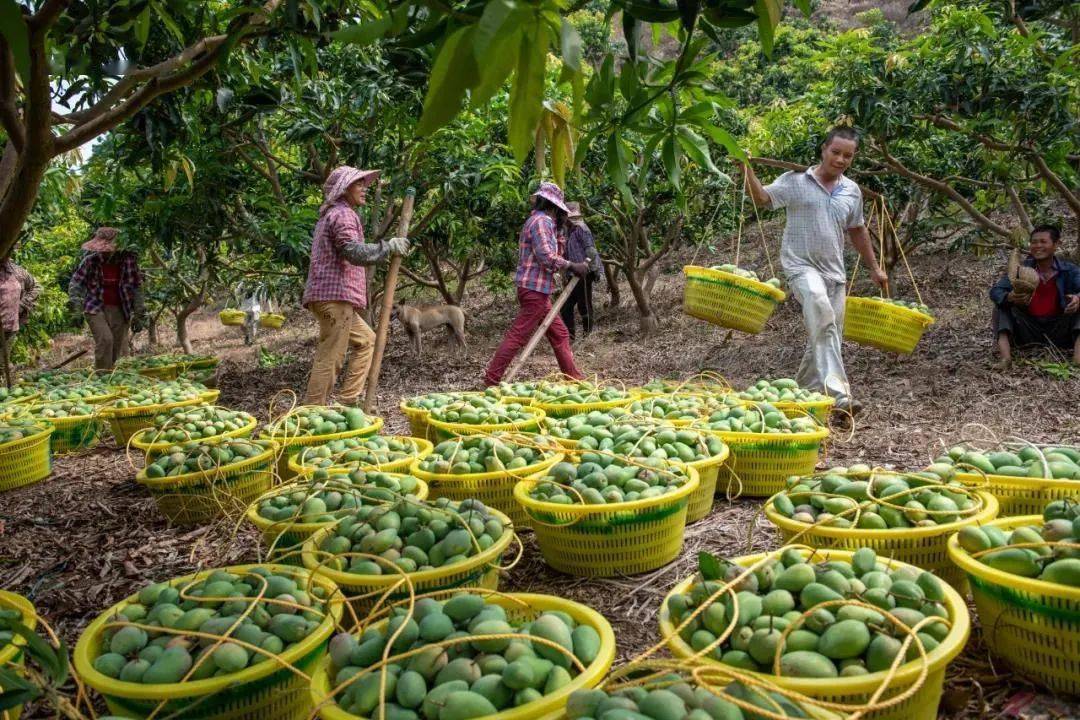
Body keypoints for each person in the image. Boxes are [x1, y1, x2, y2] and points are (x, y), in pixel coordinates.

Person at [740, 127, 887, 416]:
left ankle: (801, 397)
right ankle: (840, 395)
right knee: (821, 314)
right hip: (801, 267)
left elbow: (857, 229)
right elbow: (762, 199)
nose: (841, 159)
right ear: (823, 149)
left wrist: (874, 267)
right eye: (836, 152)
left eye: (848, 155)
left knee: (824, 332)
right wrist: (746, 168)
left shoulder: (852, 191)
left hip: (835, 274)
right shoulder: (795, 181)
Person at [302, 166, 410, 406]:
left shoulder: (334, 214)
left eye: (364, 183)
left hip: (332, 298)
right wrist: (387, 247)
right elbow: (353, 251)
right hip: (333, 297)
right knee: (331, 355)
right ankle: (312, 412)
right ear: (344, 189)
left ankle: (347, 402)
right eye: (358, 184)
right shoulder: (342, 214)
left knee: (367, 341)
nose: (364, 188)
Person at [484, 183, 589, 386]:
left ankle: (573, 378)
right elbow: (547, 257)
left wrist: (561, 230)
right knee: (518, 336)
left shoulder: (546, 222)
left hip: (539, 290)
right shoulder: (541, 221)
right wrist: (573, 265)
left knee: (560, 333)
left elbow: (554, 252)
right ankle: (491, 380)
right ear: (554, 205)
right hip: (534, 289)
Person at [990, 224, 1080, 369]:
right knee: (1001, 306)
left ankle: (1078, 359)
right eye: (1034, 242)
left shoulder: (1070, 270)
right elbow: (995, 291)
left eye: (1043, 242)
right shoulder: (1021, 269)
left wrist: (1077, 299)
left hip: (1060, 330)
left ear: (1056, 244)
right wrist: (1009, 297)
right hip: (1028, 329)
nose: (1037, 246)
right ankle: (1005, 359)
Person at [69, 227, 146, 370]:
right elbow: (76, 283)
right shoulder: (90, 261)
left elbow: (137, 287)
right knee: (105, 340)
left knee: (117, 345)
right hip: (95, 306)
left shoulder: (129, 261)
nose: (105, 252)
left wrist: (139, 313)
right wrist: (76, 308)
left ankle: (111, 374)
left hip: (121, 308)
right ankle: (101, 376)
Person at [560, 202, 603, 342]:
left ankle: (588, 336)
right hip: (573, 274)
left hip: (584, 273)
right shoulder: (568, 231)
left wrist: (587, 265)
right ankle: (571, 337)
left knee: (584, 304)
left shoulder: (582, 229)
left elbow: (590, 250)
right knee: (566, 307)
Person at [0, 258, 41, 355]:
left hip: (9, 327)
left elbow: (36, 287)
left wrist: (22, 304)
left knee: (1, 364)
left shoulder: (17, 272)